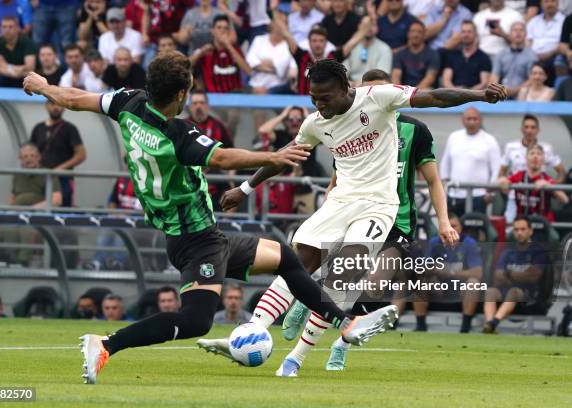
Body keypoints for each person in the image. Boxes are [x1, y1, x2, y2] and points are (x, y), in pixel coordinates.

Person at [23, 51, 394, 385]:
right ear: (182, 94)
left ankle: (346, 323)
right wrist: (272, 157)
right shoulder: (177, 134)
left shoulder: (128, 103)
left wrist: (42, 85)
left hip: (200, 236)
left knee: (286, 258)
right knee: (197, 320)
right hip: (194, 240)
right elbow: (221, 158)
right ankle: (105, 344)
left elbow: (73, 98)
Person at [198, 60, 506, 377]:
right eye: (313, 98)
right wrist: (246, 188)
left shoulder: (378, 98)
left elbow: (437, 97)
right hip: (341, 201)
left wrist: (480, 94)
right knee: (295, 262)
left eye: (325, 97)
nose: (319, 104)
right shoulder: (315, 123)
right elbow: (283, 157)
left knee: (343, 274)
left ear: (346, 89)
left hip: (378, 205)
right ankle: (251, 331)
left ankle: (295, 359)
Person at [281, 69, 461, 372]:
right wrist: (330, 208)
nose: (372, 100)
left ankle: (339, 341)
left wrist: (444, 221)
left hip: (396, 220)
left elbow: (433, 180)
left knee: (373, 287)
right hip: (355, 212)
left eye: (379, 92)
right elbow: (339, 177)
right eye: (367, 93)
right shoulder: (348, 123)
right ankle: (311, 305)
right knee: (340, 280)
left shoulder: (416, 130)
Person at [413, 211, 483, 333]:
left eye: (454, 226)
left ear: (460, 228)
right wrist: (434, 269)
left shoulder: (469, 243)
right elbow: (423, 269)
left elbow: (478, 273)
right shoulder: (434, 242)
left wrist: (450, 272)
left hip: (461, 287)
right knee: (420, 282)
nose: (450, 230)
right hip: (439, 287)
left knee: (473, 283)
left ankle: (465, 328)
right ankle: (420, 326)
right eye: (448, 226)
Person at [483, 216, 547, 334]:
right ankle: (489, 323)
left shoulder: (538, 252)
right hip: (505, 293)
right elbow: (497, 277)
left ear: (530, 231)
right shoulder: (508, 251)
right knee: (490, 291)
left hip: (529, 297)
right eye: (516, 230)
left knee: (514, 291)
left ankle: (494, 323)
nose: (519, 233)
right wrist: (521, 275)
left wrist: (509, 274)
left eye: (523, 229)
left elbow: (533, 277)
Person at [440, 107, 501, 215]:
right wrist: (444, 188)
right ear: (462, 120)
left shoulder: (489, 140)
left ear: (480, 120)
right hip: (454, 194)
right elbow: (445, 164)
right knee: (453, 230)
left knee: (475, 230)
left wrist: (490, 193)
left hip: (479, 196)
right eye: (468, 119)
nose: (471, 122)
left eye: (475, 119)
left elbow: (497, 169)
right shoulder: (454, 137)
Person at [29, 101, 86, 207]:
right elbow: (31, 151)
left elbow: (81, 155)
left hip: (62, 178)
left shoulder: (70, 129)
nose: (56, 107)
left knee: (63, 208)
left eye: (59, 104)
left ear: (64, 108)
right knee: (40, 207)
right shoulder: (38, 128)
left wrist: (59, 169)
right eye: (52, 104)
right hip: (41, 177)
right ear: (46, 106)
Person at [498, 144, 569, 222]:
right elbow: (490, 188)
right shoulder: (519, 176)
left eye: (539, 154)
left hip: (543, 225)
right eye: (532, 153)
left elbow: (565, 200)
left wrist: (548, 186)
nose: (535, 157)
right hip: (522, 225)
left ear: (543, 160)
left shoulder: (547, 179)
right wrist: (502, 180)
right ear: (526, 159)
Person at [190, 14, 250, 93]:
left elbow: (248, 71)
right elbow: (185, 65)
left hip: (235, 98)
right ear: (212, 31)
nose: (222, 30)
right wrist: (200, 53)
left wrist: (229, 46)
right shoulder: (206, 49)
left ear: (229, 31)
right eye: (219, 27)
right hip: (213, 99)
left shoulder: (235, 49)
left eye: (226, 28)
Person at [246, 17, 296, 94]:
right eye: (279, 22)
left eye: (285, 23)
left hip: (277, 88)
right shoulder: (258, 40)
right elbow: (250, 62)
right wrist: (273, 67)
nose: (282, 26)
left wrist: (259, 66)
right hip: (254, 85)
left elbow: (282, 67)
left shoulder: (290, 45)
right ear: (271, 24)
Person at [490, 21, 538, 99]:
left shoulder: (532, 56)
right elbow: (494, 77)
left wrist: (514, 90)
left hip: (524, 94)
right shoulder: (501, 54)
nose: (518, 33)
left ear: (526, 34)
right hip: (501, 94)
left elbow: (532, 79)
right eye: (515, 30)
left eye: (521, 30)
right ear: (510, 34)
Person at [9, 142, 62, 208]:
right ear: (20, 159)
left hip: (38, 215)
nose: (29, 159)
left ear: (39, 157)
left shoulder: (48, 174)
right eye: (25, 156)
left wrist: (33, 209)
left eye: (32, 156)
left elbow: (56, 200)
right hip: (17, 213)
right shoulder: (17, 174)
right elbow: (12, 198)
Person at [441, 20, 492, 89]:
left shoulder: (484, 57)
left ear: (475, 34)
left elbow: (484, 83)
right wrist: (455, 92)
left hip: (475, 97)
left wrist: (467, 93)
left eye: (469, 32)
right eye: (463, 32)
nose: (466, 35)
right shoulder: (452, 55)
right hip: (453, 96)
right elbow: (446, 80)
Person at [0, 16, 36, 87]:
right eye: (4, 27)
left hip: (23, 76)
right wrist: (12, 72)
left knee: (31, 79)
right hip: (7, 74)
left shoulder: (27, 42)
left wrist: (8, 67)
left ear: (17, 29)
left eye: (10, 27)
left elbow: (30, 68)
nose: (7, 30)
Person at [343, 16, 393, 85]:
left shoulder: (385, 49)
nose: (369, 27)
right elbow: (343, 71)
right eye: (366, 25)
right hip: (350, 86)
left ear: (378, 28)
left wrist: (359, 85)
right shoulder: (351, 46)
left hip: (373, 87)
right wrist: (347, 83)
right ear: (359, 26)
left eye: (373, 25)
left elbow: (381, 77)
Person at [392, 20, 440, 89]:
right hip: (404, 91)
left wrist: (414, 94)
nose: (415, 35)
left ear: (424, 35)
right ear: (408, 34)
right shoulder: (399, 54)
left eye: (419, 32)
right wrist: (400, 93)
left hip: (425, 91)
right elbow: (396, 76)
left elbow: (430, 78)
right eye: (413, 31)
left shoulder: (433, 54)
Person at [526, 0, 565, 65]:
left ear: (558, 3)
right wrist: (532, 55)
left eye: (553, 1)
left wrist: (547, 55)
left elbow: (562, 46)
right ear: (541, 4)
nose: (549, 4)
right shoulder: (534, 21)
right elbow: (527, 41)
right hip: (532, 59)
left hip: (554, 58)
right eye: (546, 1)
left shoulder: (564, 21)